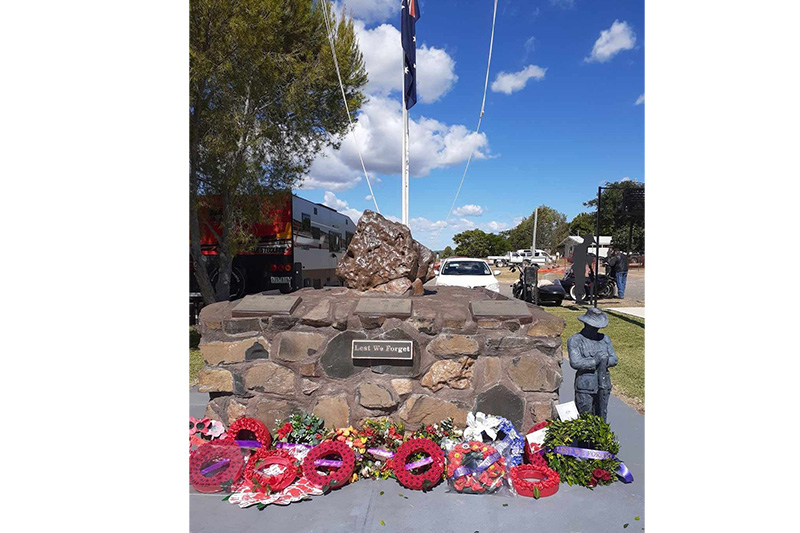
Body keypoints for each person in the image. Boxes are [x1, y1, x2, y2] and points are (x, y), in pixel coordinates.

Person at [567, 308, 618, 422]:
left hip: (604, 383)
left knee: (602, 415)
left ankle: (601, 439)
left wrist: (605, 360)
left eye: (597, 327)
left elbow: (614, 359)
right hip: (585, 385)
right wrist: (596, 361)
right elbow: (575, 362)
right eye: (593, 326)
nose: (596, 329)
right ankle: (584, 440)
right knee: (585, 416)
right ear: (585, 323)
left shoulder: (604, 339)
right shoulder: (576, 340)